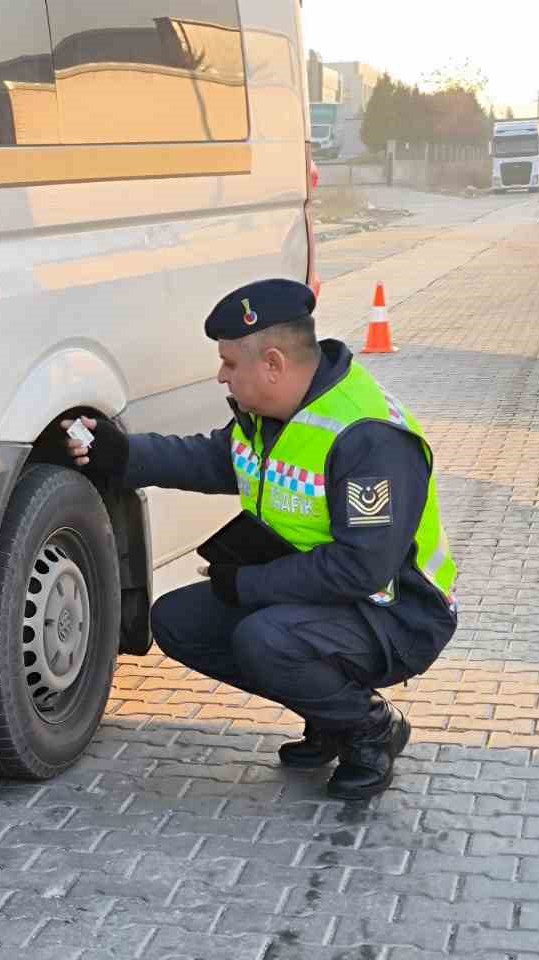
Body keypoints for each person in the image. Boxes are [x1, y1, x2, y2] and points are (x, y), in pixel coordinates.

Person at [64, 279, 458, 800]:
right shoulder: (271, 416)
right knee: (178, 621)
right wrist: (122, 455)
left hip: (396, 613)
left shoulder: (367, 436)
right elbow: (211, 458)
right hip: (324, 598)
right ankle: (328, 712)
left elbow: (361, 569)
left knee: (266, 639)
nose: (221, 376)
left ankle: (368, 728)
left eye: (230, 363)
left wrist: (246, 584)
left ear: (272, 363)